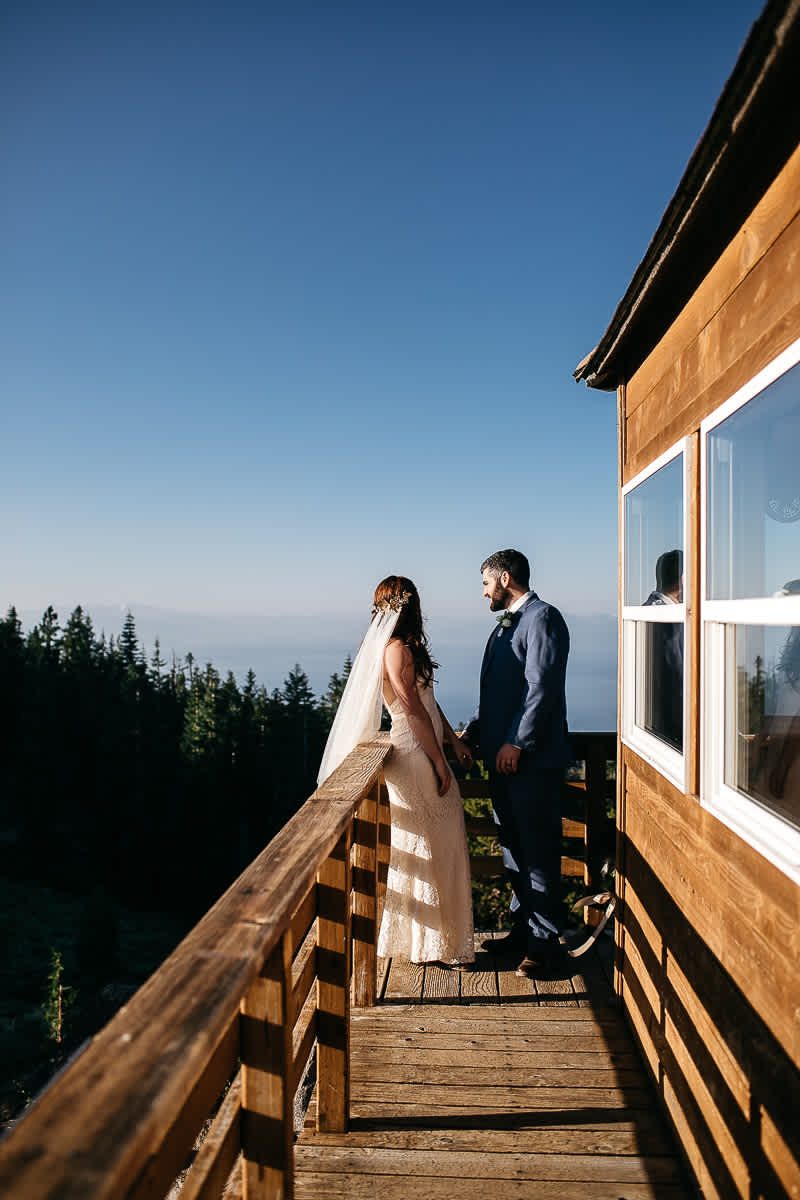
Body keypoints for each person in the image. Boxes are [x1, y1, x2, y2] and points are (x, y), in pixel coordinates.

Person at [318, 575, 475, 967]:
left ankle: (441, 938)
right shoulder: (395, 650)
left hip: (427, 747)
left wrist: (452, 740)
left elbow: (428, 701)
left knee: (440, 838)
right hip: (413, 754)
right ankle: (424, 942)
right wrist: (439, 761)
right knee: (422, 841)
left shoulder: (405, 648)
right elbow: (411, 708)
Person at [461, 549, 571, 978]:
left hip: (532, 763)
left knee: (538, 851)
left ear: (505, 579)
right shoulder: (506, 626)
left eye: (486, 583)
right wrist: (472, 735)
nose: (484, 592)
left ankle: (546, 946)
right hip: (503, 762)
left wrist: (516, 742)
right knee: (513, 849)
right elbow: (497, 698)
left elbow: (540, 689)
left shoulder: (543, 618)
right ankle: (523, 928)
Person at [642, 549, 684, 751]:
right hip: (672, 735)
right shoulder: (668, 619)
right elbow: (677, 678)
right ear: (684, 579)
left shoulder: (646, 611)